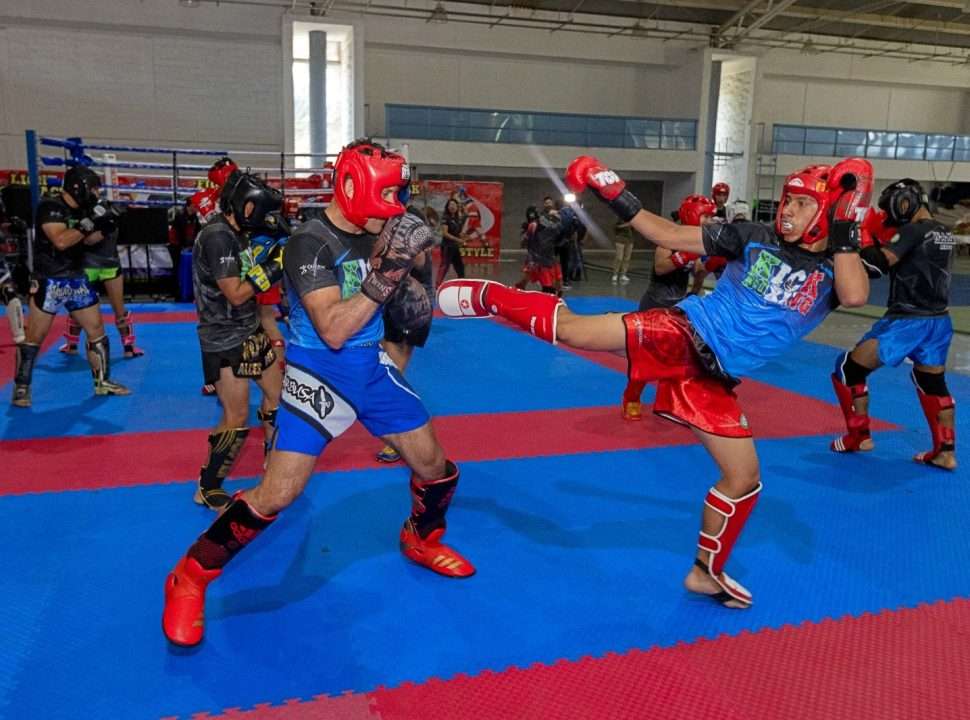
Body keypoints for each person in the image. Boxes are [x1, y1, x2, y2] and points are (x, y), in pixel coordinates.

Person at [438, 155, 872, 609]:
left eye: (802, 204)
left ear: (829, 212)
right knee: (575, 332)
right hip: (685, 334)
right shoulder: (753, 236)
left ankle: (705, 572)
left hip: (716, 379)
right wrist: (609, 187)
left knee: (743, 478)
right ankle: (490, 296)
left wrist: (846, 228)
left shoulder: (839, 268)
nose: (788, 211)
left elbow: (856, 294)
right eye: (788, 200)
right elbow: (665, 234)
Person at [163, 140, 474, 648]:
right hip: (319, 374)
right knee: (278, 492)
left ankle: (421, 537)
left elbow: (410, 280)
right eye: (384, 199)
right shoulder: (309, 243)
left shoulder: (379, 228)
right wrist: (388, 270)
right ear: (353, 189)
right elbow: (332, 329)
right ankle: (190, 575)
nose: (391, 210)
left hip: (371, 368)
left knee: (434, 465)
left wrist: (414, 261)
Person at [830, 180, 957, 470]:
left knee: (847, 370)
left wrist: (860, 240)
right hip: (939, 321)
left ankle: (859, 437)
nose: (891, 215)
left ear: (905, 200)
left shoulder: (913, 231)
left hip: (907, 322)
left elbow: (877, 266)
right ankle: (946, 452)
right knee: (931, 382)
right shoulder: (944, 232)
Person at [189, 171, 285, 510]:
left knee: (278, 397)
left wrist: (272, 250)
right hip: (223, 338)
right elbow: (236, 293)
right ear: (246, 207)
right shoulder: (218, 236)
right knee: (236, 414)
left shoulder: (238, 233)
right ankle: (208, 485)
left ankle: (274, 462)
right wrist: (274, 267)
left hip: (249, 329)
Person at [11, 166, 130, 407]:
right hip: (50, 279)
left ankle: (102, 382)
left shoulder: (84, 209)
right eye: (93, 188)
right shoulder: (50, 207)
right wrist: (90, 221)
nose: (95, 193)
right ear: (79, 187)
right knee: (35, 336)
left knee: (96, 329)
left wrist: (106, 225)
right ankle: (21, 387)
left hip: (76, 277)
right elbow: (61, 241)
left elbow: (87, 240)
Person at [621, 194, 716, 421]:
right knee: (646, 356)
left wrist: (707, 269)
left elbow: (698, 271)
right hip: (655, 303)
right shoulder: (669, 239)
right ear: (693, 214)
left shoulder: (696, 241)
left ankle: (671, 403)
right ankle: (631, 397)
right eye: (705, 216)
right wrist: (683, 257)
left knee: (680, 359)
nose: (709, 220)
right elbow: (661, 268)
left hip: (678, 305)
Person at [376, 205, 436, 463]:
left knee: (394, 375)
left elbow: (413, 261)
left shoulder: (418, 249)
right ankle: (400, 431)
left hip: (413, 312)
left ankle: (404, 434)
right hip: (393, 309)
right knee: (387, 372)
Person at [58, 200, 144, 359]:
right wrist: (105, 228)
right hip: (89, 264)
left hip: (109, 264)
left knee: (119, 309)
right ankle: (72, 345)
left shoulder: (111, 215)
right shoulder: (88, 215)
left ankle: (129, 347)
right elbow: (87, 240)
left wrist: (114, 222)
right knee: (80, 307)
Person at [192, 156, 239, 396]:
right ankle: (215, 376)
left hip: (239, 255)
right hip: (212, 258)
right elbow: (211, 229)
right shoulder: (206, 199)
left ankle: (245, 367)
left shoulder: (243, 194)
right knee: (211, 316)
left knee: (251, 315)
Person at [515, 199, 563, 295]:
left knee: (553, 280)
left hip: (544, 257)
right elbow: (525, 242)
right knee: (547, 280)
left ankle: (554, 294)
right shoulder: (540, 223)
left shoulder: (548, 222)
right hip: (540, 257)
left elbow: (524, 243)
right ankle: (520, 290)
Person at [436, 197, 466, 284]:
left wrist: (463, 236)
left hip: (455, 246)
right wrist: (458, 240)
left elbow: (458, 232)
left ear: (457, 207)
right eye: (450, 205)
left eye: (454, 205)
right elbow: (445, 233)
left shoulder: (457, 218)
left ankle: (462, 283)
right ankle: (437, 285)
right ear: (447, 207)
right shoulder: (445, 218)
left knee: (460, 266)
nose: (452, 207)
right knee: (445, 266)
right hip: (447, 246)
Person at [611, 219, 634, 285]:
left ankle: (623, 275)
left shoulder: (632, 219)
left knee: (627, 258)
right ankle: (615, 274)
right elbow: (615, 227)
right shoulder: (620, 219)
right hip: (620, 240)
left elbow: (633, 230)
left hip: (629, 241)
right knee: (619, 258)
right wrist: (626, 225)